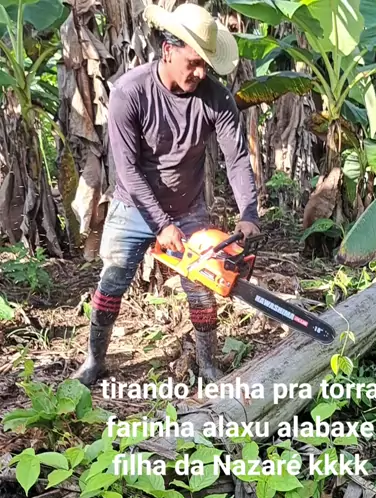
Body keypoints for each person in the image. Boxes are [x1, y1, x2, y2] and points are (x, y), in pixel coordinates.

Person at [73, 2, 260, 387]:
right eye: (193, 62)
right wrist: (160, 224)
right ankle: (94, 361)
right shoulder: (129, 92)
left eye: (205, 65)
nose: (200, 72)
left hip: (188, 206)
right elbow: (127, 169)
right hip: (133, 205)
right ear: (168, 50)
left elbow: (237, 158)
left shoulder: (216, 98)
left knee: (203, 286)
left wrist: (249, 214)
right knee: (112, 282)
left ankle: (208, 366)